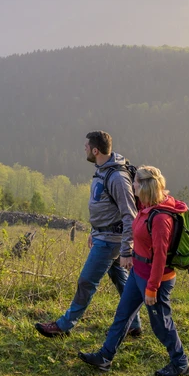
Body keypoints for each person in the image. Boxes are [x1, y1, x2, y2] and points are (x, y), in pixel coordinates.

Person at [78, 165, 189, 376]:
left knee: (161, 323)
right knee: (122, 315)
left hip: (155, 280)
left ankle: (180, 363)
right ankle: (105, 357)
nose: (132, 185)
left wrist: (152, 288)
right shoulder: (146, 206)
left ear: (145, 187)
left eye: (136, 183)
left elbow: (160, 257)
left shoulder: (161, 219)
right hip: (138, 273)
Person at [35, 131, 142, 337]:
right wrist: (95, 230)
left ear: (95, 150)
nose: (83, 149)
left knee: (86, 281)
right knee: (121, 280)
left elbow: (130, 215)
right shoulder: (103, 170)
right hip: (104, 236)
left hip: (110, 241)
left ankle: (64, 326)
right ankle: (134, 324)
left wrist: (127, 250)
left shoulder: (117, 178)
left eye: (86, 146)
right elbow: (103, 206)